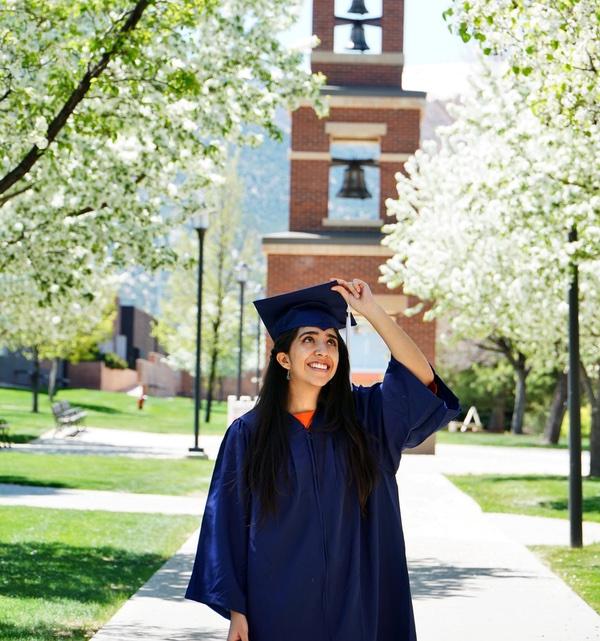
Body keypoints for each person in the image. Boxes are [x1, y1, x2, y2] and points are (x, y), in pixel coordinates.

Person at [185, 278, 461, 641]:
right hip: (278, 605)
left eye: (332, 341)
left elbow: (420, 378)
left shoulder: (365, 419)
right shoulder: (249, 434)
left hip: (359, 602)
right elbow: (226, 525)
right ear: (284, 358)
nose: (323, 350)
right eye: (309, 340)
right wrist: (237, 612)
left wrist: (373, 312)